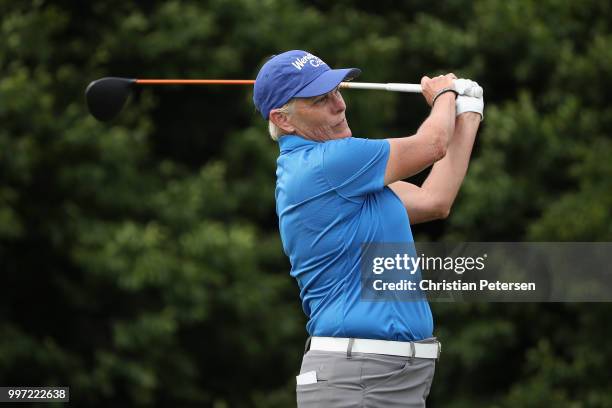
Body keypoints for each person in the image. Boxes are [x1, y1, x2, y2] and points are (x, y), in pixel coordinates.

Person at [253, 50, 483, 407]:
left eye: (337, 91)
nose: (339, 105)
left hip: (387, 377)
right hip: (358, 379)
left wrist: (468, 115)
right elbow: (433, 144)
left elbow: (434, 200)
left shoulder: (346, 176)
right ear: (283, 120)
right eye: (320, 100)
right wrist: (444, 94)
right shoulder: (327, 165)